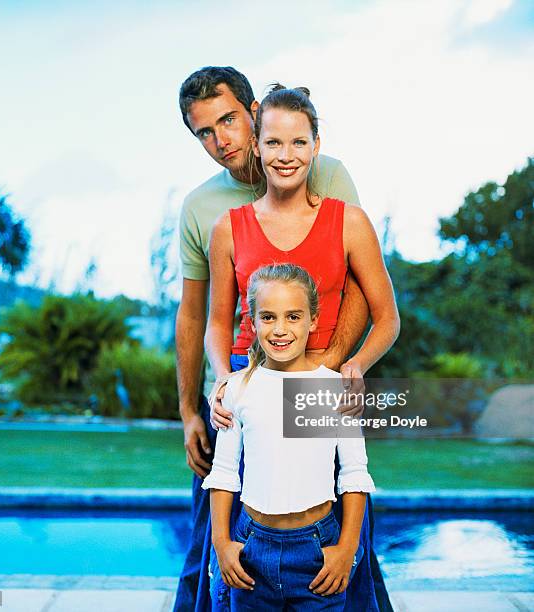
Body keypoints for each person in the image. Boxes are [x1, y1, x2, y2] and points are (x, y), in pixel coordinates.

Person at [173, 67, 377, 611]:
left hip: (319, 374)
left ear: (254, 112)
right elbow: (198, 315)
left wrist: (327, 368)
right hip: (241, 372)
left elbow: (360, 286)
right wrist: (195, 404)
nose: (224, 141)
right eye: (205, 133)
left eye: (231, 122)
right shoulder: (204, 211)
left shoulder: (326, 176)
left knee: (342, 528)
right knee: (213, 536)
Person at [203, 263, 378, 610]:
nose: (280, 329)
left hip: (317, 552)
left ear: (313, 320)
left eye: (293, 317)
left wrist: (347, 549)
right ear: (252, 323)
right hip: (251, 549)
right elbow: (223, 474)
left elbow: (354, 474)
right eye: (268, 317)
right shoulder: (237, 389)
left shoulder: (334, 389)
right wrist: (222, 543)